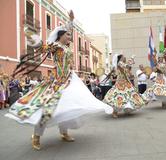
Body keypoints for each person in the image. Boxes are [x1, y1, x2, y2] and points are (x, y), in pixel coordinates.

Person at [5, 10, 113, 150]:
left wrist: (71, 21)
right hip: (56, 83)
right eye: (67, 35)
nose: (70, 36)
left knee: (67, 107)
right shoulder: (55, 46)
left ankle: (64, 132)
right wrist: (31, 35)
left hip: (69, 80)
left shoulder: (66, 46)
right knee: (48, 109)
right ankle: (36, 136)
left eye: (69, 34)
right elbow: (42, 46)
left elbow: (68, 30)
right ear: (60, 36)